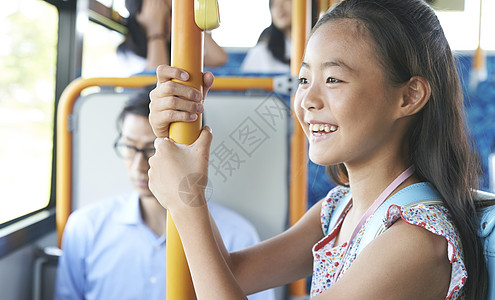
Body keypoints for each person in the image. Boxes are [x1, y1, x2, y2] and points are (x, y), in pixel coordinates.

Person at [146, 0, 489, 299]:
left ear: (409, 96)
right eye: (304, 79)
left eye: (334, 80)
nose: (307, 101)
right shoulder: (340, 208)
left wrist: (185, 199)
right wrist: (177, 137)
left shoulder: (414, 241)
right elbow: (229, 273)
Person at [54, 87, 274, 300]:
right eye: (129, 147)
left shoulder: (238, 235)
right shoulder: (85, 228)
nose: (138, 165)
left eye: (152, 149)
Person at [116, 0, 228, 76]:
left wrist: (190, 22)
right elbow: (154, 79)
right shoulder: (125, 51)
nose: (169, 21)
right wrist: (156, 33)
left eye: (171, 13)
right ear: (139, 16)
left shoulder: (177, 48)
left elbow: (219, 58)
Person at [240, 0, 291, 73]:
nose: (279, 7)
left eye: (286, 1)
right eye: (273, 4)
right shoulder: (261, 52)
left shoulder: (311, 48)